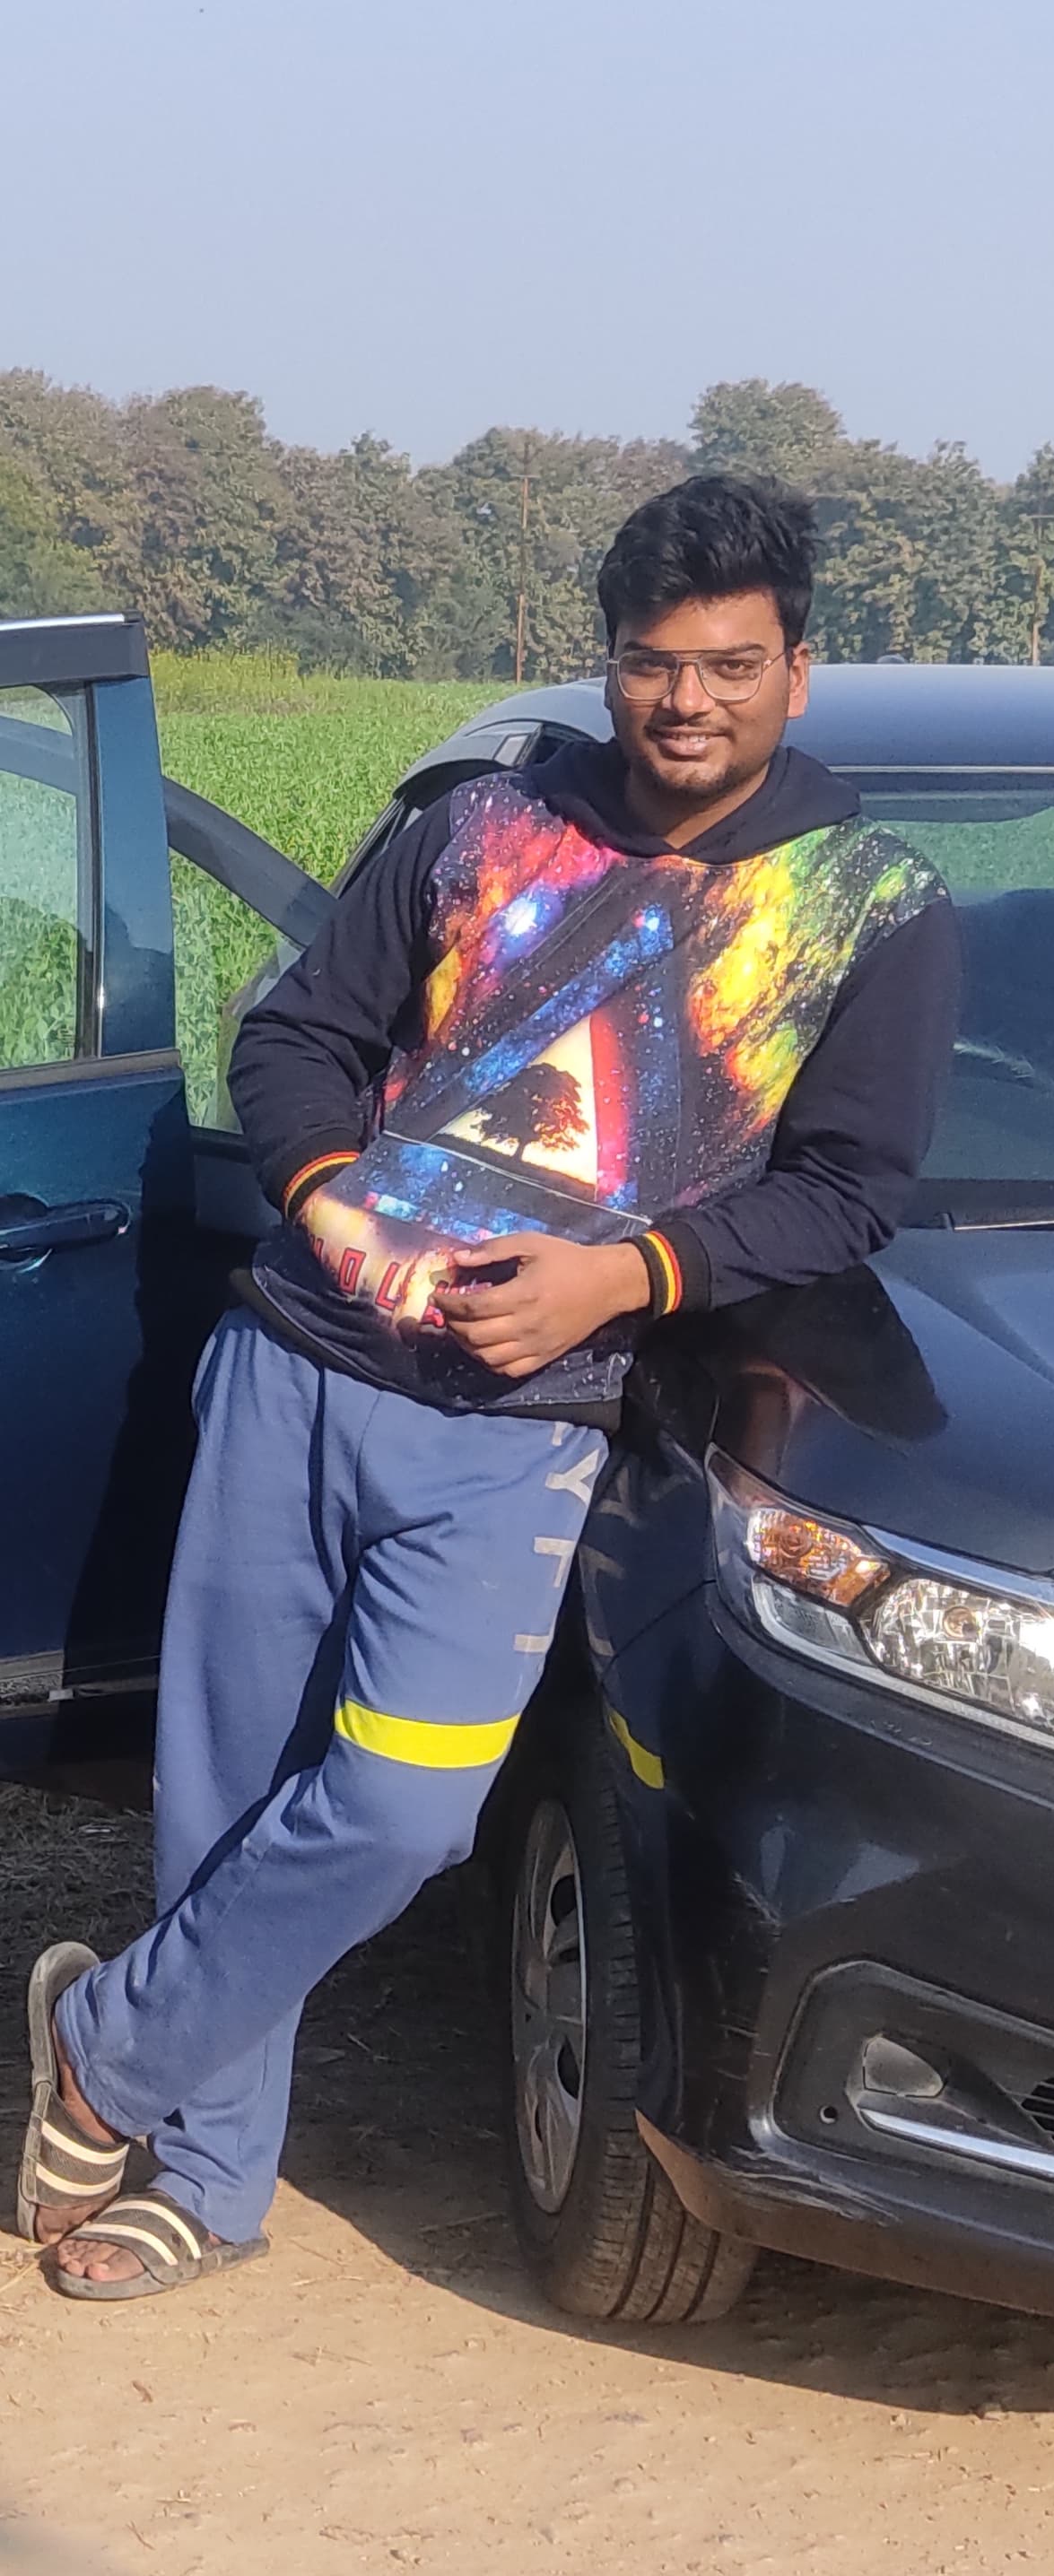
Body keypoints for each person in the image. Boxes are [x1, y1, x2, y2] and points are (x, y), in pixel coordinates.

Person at [13, 474, 959, 2297]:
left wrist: (625, 1275)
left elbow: (846, 1194)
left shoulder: (874, 908)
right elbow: (297, 1040)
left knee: (402, 1811)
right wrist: (330, 1199)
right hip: (298, 1366)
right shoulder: (483, 826)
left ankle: (104, 2047)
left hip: (525, 1428)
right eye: (653, 663)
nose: (688, 701)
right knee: (227, 1795)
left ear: (798, 671)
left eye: (731, 666)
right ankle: (205, 2180)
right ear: (610, 663)